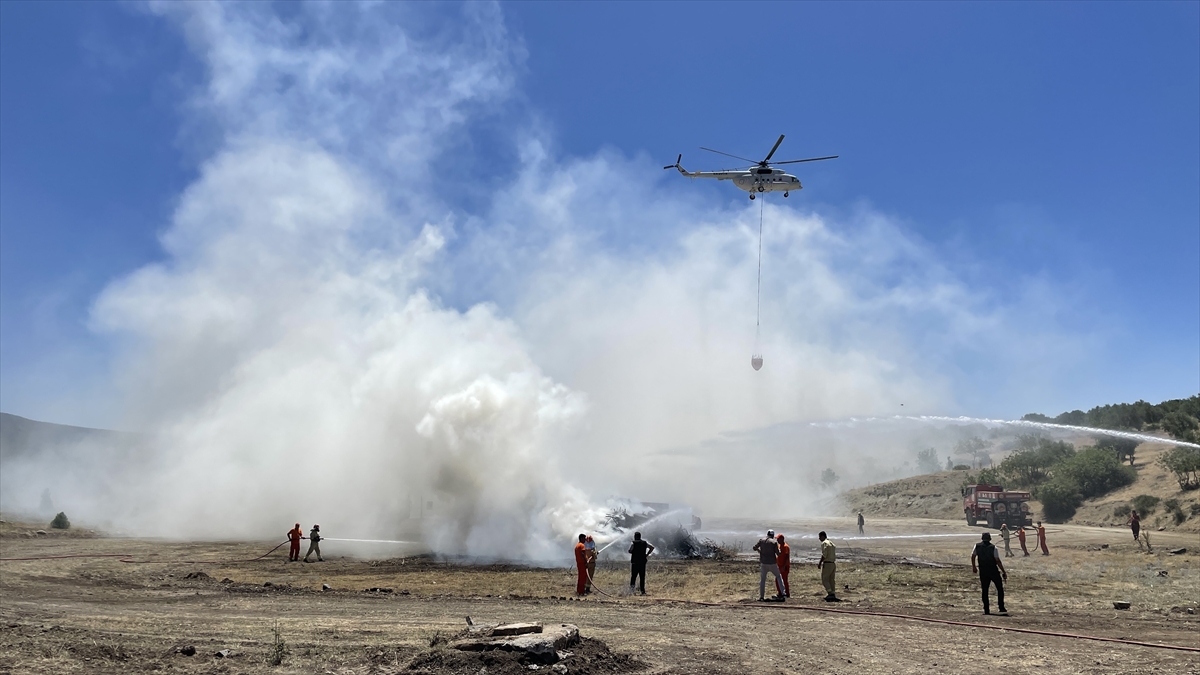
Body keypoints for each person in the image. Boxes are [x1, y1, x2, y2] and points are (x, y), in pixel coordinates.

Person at [971, 532, 1008, 615]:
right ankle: (1001, 607)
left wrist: (974, 567)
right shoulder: (993, 547)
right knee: (999, 588)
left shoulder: (977, 546)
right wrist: (1003, 571)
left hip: (983, 570)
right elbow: (997, 560)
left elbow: (973, 556)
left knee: (985, 590)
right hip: (993, 570)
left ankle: (986, 609)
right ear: (990, 538)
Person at [753, 530, 785, 601]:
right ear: (773, 535)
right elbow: (778, 553)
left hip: (763, 563)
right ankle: (783, 593)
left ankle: (761, 596)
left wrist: (760, 551)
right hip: (772, 563)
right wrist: (780, 550)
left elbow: (754, 548)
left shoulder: (761, 540)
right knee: (778, 577)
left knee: (763, 580)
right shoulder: (774, 542)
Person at [818, 531, 838, 602]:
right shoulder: (831, 543)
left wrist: (820, 563)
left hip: (827, 564)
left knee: (825, 579)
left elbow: (824, 555)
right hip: (833, 564)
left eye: (820, 537)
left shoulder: (824, 543)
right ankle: (833, 593)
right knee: (831, 580)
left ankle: (830, 593)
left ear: (823, 536)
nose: (819, 538)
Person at [774, 534, 791, 598]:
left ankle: (786, 593)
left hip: (784, 566)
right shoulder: (779, 546)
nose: (777, 540)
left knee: (784, 580)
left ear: (782, 539)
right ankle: (780, 592)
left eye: (778, 539)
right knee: (778, 580)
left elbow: (786, 557)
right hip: (779, 565)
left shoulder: (785, 546)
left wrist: (784, 566)